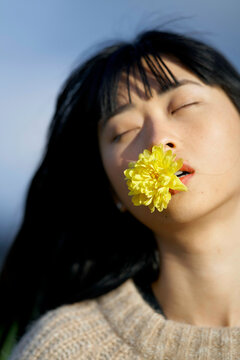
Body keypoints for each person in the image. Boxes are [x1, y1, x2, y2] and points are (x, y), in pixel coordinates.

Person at [1, 26, 240, 359]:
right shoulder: (62, 350)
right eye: (124, 131)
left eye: (183, 105)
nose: (158, 140)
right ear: (113, 191)